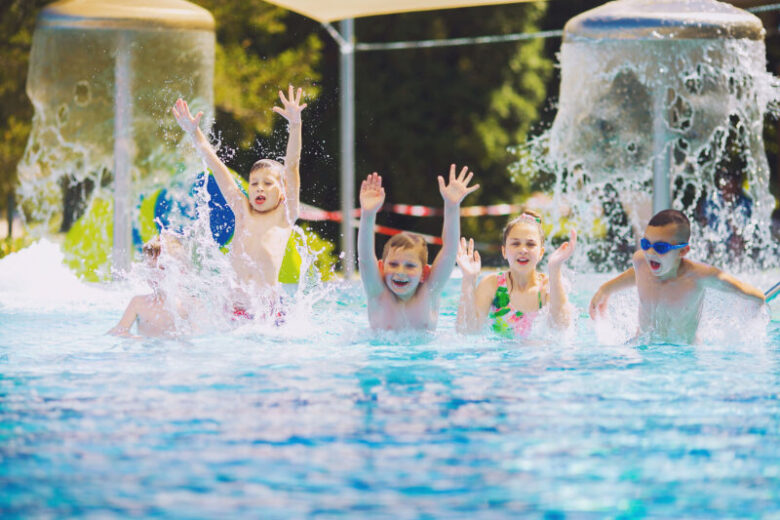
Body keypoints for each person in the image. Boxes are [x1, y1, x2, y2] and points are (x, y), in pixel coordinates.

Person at [171, 86, 306, 312]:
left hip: (268, 309)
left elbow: (291, 166)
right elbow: (216, 166)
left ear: (282, 191)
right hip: (234, 306)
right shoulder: (242, 209)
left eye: (267, 183)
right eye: (254, 184)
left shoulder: (286, 214)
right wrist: (195, 133)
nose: (259, 189)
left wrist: (295, 125)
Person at [589, 209, 765, 343]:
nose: (650, 253)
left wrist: (755, 305)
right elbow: (634, 273)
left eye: (661, 248)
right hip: (642, 349)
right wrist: (606, 289)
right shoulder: (641, 261)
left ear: (683, 250)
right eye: (646, 243)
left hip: (683, 357)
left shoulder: (699, 276)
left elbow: (744, 290)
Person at [358, 166, 479, 331]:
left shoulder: (429, 292)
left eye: (410, 266)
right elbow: (365, 259)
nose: (400, 271)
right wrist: (368, 214)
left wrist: (452, 206)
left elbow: (450, 251)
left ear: (425, 273)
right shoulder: (377, 293)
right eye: (393, 264)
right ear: (381, 268)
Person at [456, 210, 577, 337]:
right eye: (515, 243)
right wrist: (468, 280)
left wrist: (555, 270)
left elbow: (561, 327)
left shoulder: (547, 286)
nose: (523, 250)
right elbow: (467, 331)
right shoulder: (492, 284)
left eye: (530, 244)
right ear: (504, 251)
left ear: (541, 253)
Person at [109, 234, 189, 338]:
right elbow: (118, 331)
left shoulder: (187, 305)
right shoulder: (138, 303)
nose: (155, 274)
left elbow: (201, 337)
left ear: (180, 270)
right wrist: (133, 338)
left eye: (162, 268)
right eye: (151, 268)